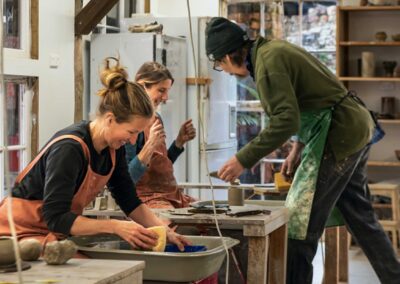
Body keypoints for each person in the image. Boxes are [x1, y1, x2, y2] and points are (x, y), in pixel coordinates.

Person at [205, 17, 400, 283]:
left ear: (228, 55)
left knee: (299, 224)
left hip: (339, 131)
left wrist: (243, 158)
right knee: (360, 216)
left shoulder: (267, 64)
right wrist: (298, 146)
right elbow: (308, 101)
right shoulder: (270, 51)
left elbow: (286, 120)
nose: (223, 70)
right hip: (353, 124)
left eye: (219, 64)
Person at [0, 57, 189, 251]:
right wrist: (115, 226)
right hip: (15, 236)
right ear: (109, 119)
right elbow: (56, 217)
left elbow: (129, 200)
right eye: (131, 132)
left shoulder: (113, 149)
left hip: (48, 234)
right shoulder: (69, 148)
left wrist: (162, 229)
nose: (133, 141)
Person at [125, 62, 196, 209]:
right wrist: (150, 145)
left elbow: (160, 166)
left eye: (167, 91)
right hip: (146, 199)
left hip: (170, 195)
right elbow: (126, 179)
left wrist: (178, 143)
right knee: (170, 228)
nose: (165, 97)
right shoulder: (130, 124)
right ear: (142, 86)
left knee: (209, 214)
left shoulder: (156, 118)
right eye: (161, 90)